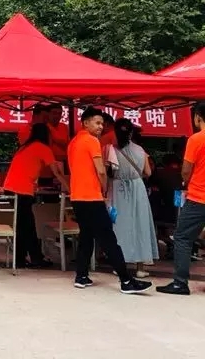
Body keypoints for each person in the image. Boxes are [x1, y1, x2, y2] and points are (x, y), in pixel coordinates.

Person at [67, 106, 151, 294]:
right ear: (85, 122)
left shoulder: (73, 143)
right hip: (92, 196)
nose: (100, 127)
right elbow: (101, 171)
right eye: (97, 123)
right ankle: (126, 280)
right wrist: (104, 190)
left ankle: (81, 276)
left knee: (86, 236)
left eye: (102, 124)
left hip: (77, 196)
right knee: (108, 238)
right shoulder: (92, 141)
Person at [4, 123, 68, 268]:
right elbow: (57, 172)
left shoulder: (24, 147)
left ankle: (23, 258)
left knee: (23, 225)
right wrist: (70, 188)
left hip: (10, 187)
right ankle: (34, 258)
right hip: (22, 190)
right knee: (27, 225)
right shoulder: (44, 148)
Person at [158, 102, 205, 295]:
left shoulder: (196, 139)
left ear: (197, 117)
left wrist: (187, 181)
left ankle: (180, 282)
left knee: (182, 237)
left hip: (198, 197)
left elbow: (186, 170)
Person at [107, 118, 158, 278]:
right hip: (138, 188)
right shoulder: (140, 150)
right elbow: (148, 172)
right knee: (140, 225)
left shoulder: (110, 150)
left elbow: (108, 173)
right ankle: (140, 267)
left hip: (118, 189)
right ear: (131, 133)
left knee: (120, 226)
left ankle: (119, 265)